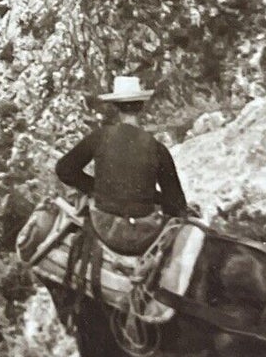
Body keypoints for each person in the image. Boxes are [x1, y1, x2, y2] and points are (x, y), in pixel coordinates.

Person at [54, 74, 187, 256]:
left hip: (105, 227)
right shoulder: (157, 147)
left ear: (116, 107)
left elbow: (63, 169)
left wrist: (96, 188)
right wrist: (150, 197)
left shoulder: (100, 136)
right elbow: (176, 203)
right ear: (141, 106)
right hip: (143, 235)